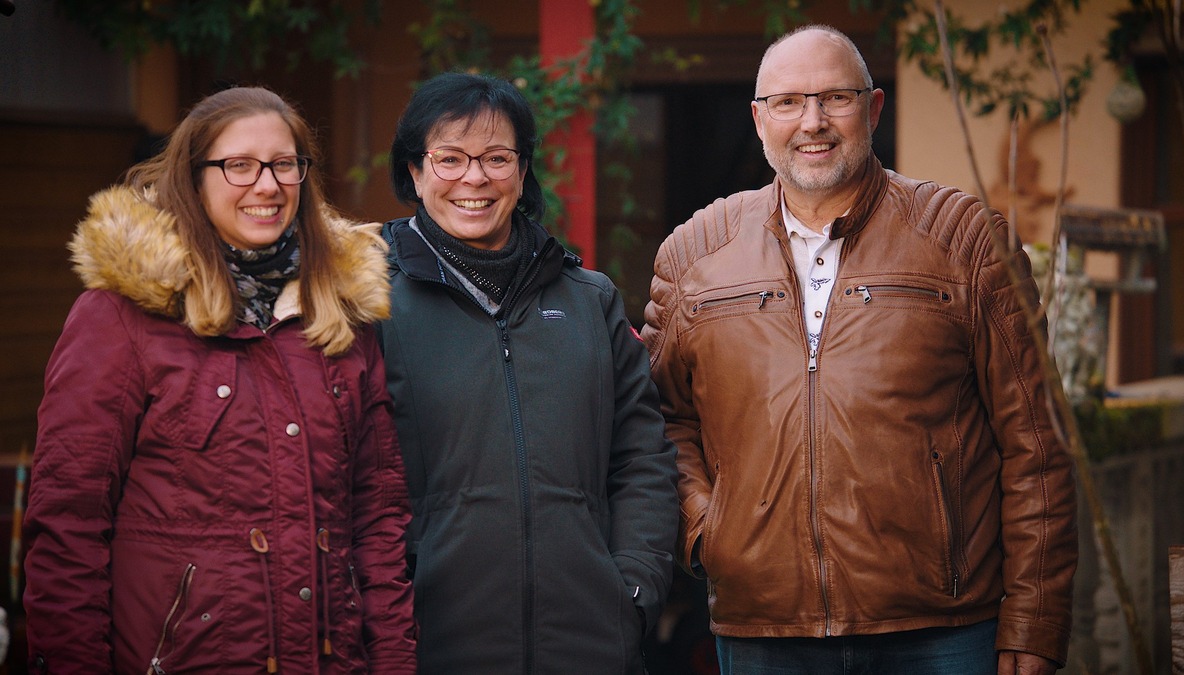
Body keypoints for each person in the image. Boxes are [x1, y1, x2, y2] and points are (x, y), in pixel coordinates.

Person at [641, 25, 1077, 675]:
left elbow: (1036, 442)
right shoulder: (695, 253)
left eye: (835, 98)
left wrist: (1036, 619)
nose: (812, 122)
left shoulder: (964, 239)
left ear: (873, 109)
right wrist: (709, 530)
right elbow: (656, 418)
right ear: (759, 121)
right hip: (765, 624)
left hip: (943, 628)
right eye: (788, 102)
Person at [23, 86, 418, 674]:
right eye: (239, 165)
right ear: (193, 177)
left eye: (285, 164)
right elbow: (68, 525)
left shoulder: (340, 318)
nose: (267, 185)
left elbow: (377, 522)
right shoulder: (121, 317)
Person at [378, 71, 678, 674]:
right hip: (430, 642)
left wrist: (635, 590)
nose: (475, 178)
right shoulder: (367, 303)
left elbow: (642, 456)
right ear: (414, 171)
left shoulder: (588, 300)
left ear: (522, 171)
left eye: (496, 157)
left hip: (590, 640)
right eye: (450, 158)